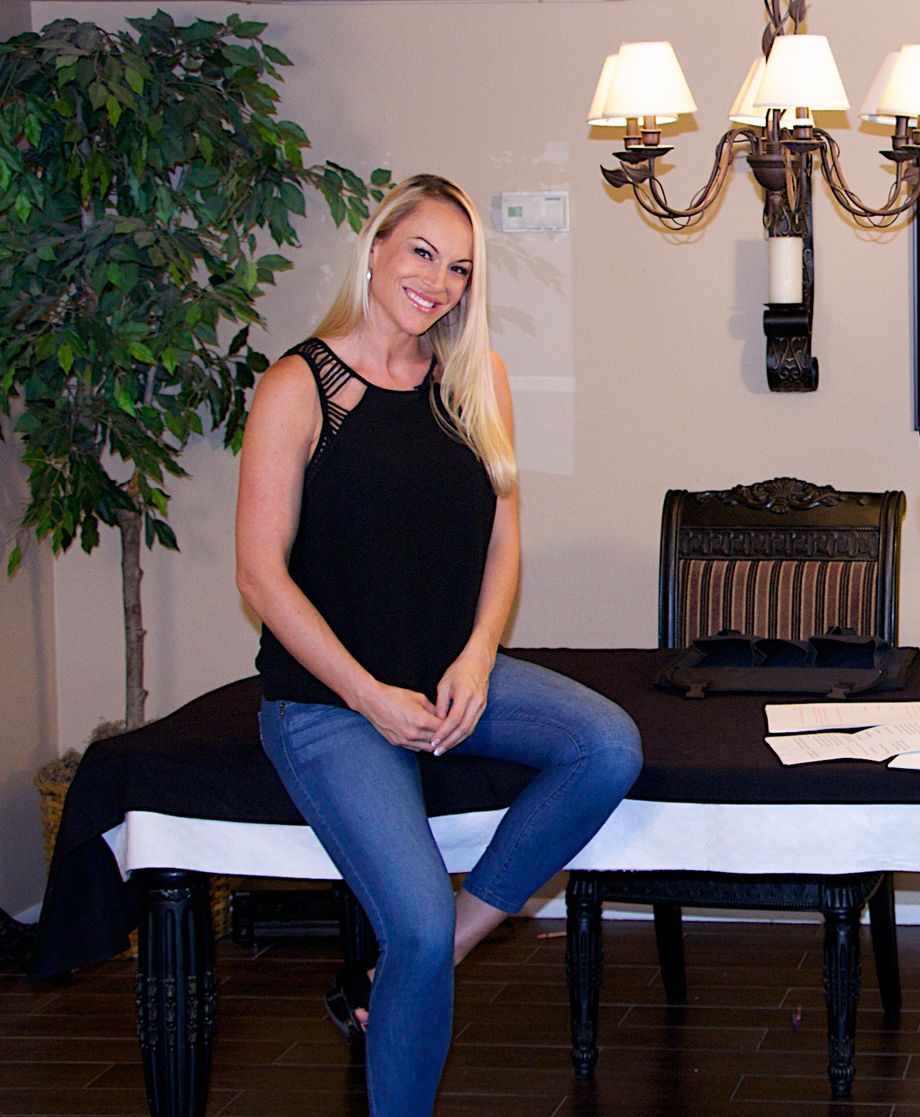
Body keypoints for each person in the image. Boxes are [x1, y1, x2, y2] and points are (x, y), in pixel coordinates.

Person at [235, 174, 642, 1116]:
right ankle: (420, 958)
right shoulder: (298, 386)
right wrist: (370, 695)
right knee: (410, 921)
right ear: (375, 247)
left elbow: (504, 540)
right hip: (327, 702)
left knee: (606, 743)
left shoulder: (475, 377)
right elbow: (262, 575)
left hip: (449, 677)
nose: (440, 282)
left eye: (460, 267)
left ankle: (434, 951)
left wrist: (475, 656)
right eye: (422, 253)